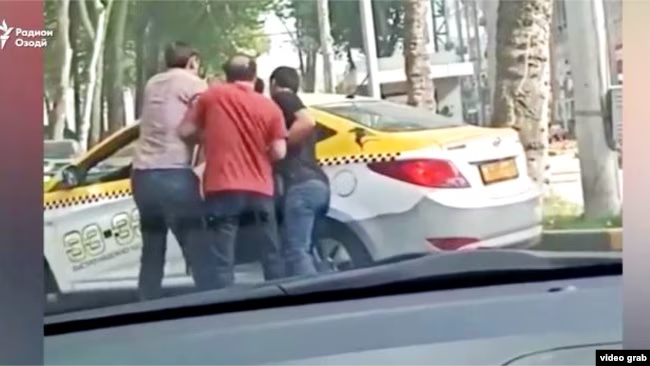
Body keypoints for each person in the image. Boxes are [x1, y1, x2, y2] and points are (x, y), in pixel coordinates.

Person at [178, 55, 287, 289]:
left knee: (222, 259)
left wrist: (208, 138)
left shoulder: (212, 97)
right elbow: (279, 151)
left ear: (227, 75)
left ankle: (226, 307)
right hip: (260, 190)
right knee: (271, 253)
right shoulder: (270, 107)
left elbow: (185, 131)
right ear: (255, 76)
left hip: (222, 188)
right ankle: (280, 301)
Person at [131, 41, 217, 300]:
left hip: (143, 176)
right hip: (174, 174)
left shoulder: (152, 84)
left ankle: (148, 303)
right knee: (196, 243)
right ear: (192, 61)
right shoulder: (193, 84)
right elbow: (208, 119)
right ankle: (213, 301)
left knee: (152, 246)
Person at [269, 66, 330, 277]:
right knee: (310, 251)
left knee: (296, 251)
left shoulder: (283, 98)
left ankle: (311, 299)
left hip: (300, 185)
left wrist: (282, 144)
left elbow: (307, 121)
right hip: (318, 185)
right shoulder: (292, 104)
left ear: (274, 83)